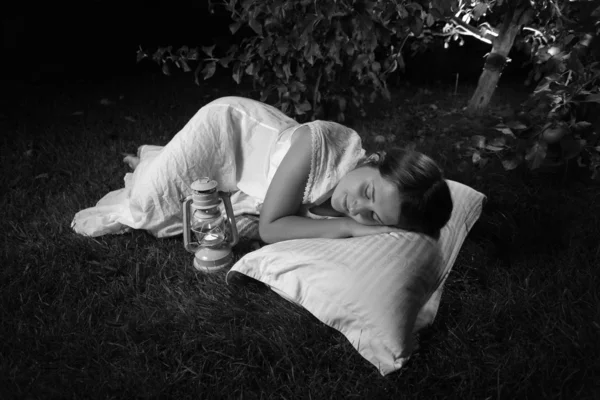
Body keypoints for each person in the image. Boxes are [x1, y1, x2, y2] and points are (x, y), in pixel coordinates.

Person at [72, 96, 453, 243]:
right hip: (228, 130)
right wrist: (350, 228)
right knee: (148, 208)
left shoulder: (357, 196)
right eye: (368, 193)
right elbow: (271, 228)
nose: (356, 209)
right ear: (372, 161)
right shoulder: (318, 145)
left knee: (209, 211)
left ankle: (159, 159)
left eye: (373, 217)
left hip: (255, 169)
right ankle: (153, 165)